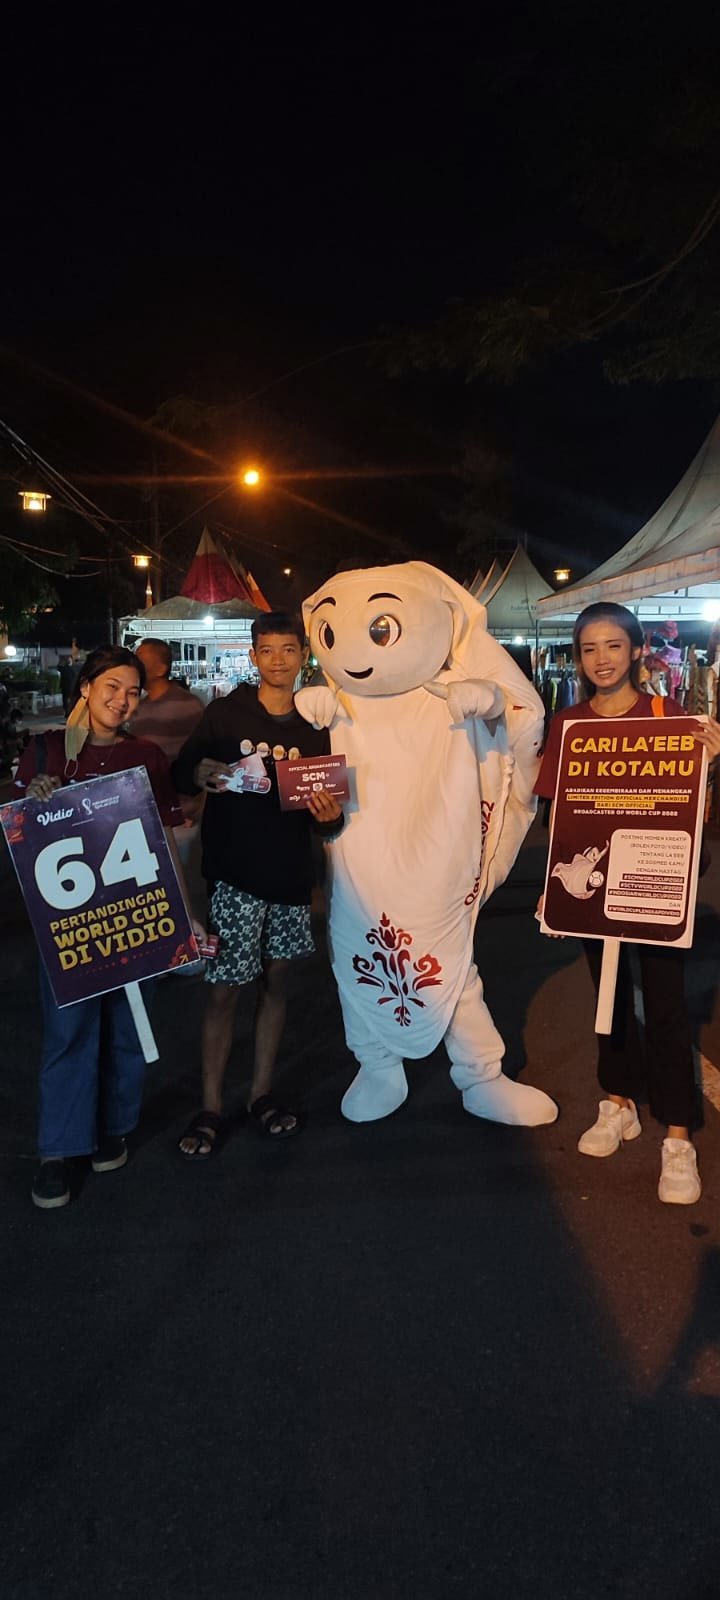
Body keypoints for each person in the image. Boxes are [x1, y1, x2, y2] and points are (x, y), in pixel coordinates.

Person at [535, 602, 720, 1206]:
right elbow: (557, 813)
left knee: (665, 1005)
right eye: (589, 649)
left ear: (639, 650)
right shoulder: (568, 724)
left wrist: (708, 762)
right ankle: (617, 1103)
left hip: (654, 887)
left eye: (614, 646)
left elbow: (690, 812)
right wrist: (555, 888)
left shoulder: (669, 716)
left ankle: (677, 1133)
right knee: (607, 998)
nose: (601, 660)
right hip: (592, 891)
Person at [14, 646, 205, 1211]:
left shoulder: (145, 755)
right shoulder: (47, 750)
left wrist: (183, 910)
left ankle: (115, 1126)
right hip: (70, 927)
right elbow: (22, 827)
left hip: (135, 917)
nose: (122, 701)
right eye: (111, 688)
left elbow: (164, 833)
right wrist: (34, 796)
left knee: (128, 1023)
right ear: (85, 688)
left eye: (132, 692)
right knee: (69, 1030)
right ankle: (59, 1149)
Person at [172, 611, 344, 1156]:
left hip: (291, 878)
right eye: (266, 650)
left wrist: (328, 813)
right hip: (233, 878)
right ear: (252, 656)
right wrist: (199, 773)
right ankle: (210, 1106)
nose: (276, 660)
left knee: (276, 989)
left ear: (303, 657)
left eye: (288, 650)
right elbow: (182, 772)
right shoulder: (226, 714)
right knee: (223, 995)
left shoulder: (316, 724)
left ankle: (262, 1094)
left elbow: (331, 818)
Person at [131, 638, 205, 861]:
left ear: (161, 668)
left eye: (140, 658)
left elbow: (204, 757)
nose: (135, 665)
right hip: (145, 812)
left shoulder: (188, 705)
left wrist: (197, 808)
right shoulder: (138, 707)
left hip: (181, 816)